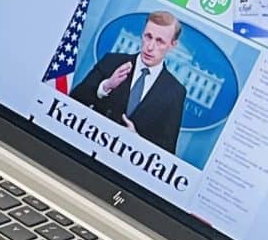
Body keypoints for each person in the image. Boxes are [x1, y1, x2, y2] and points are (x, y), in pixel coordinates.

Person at [70, 11, 190, 154]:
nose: (150, 47)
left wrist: (136, 141)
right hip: (86, 149)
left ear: (172, 45)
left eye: (159, 41)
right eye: (148, 36)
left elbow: (167, 151)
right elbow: (74, 99)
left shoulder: (175, 92)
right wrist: (106, 86)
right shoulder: (112, 62)